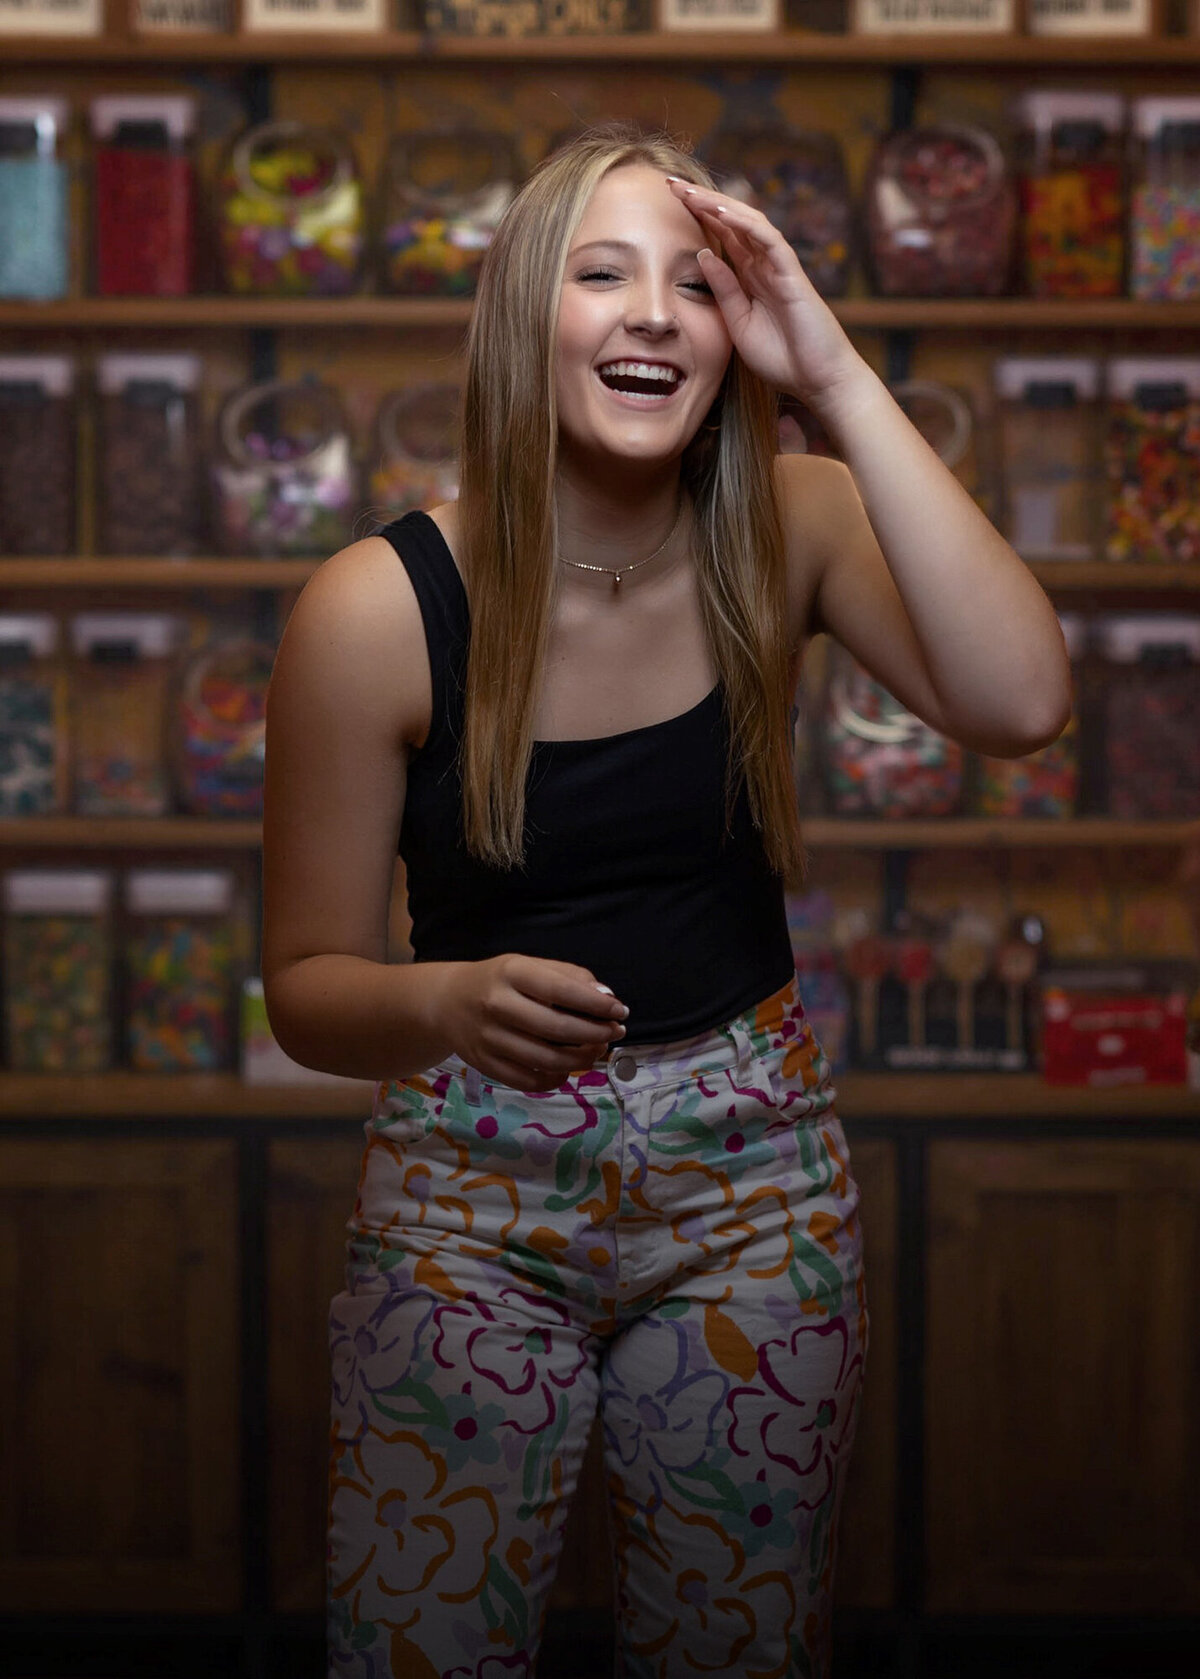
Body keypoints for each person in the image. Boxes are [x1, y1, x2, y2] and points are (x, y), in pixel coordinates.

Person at [261, 122, 1072, 1679]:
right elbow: (305, 985)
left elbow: (1024, 698)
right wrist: (442, 1000)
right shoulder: (372, 611)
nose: (651, 312)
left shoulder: (796, 521)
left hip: (754, 1192)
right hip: (464, 1206)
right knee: (414, 1650)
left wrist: (830, 370)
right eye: (601, 274)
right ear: (522, 320)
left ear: (734, 333)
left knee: (735, 1654)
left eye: (696, 285)